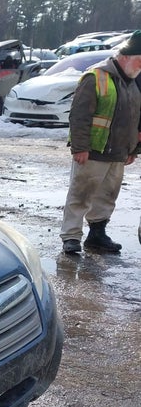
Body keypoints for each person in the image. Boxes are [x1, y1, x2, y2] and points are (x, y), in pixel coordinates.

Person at [60, 30, 141, 254]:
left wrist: (134, 148)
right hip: (93, 150)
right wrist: (80, 147)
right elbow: (79, 116)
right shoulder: (95, 77)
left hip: (118, 152)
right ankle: (71, 236)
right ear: (125, 57)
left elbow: (136, 118)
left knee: (107, 196)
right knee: (81, 193)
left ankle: (96, 235)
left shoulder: (133, 82)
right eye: (140, 61)